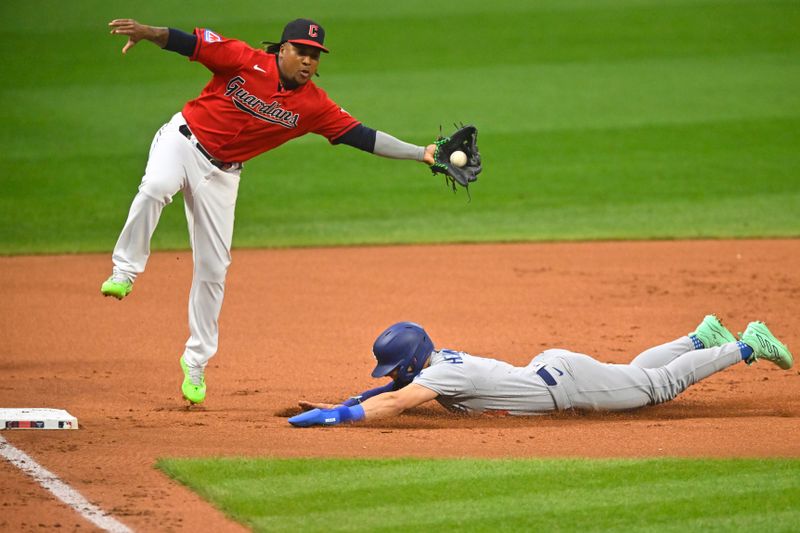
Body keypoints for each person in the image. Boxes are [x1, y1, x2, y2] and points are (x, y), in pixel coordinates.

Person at [102, 18, 438, 405]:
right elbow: (189, 44)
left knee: (214, 267)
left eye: (315, 55)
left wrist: (420, 153)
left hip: (223, 175)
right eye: (301, 51)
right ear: (282, 50)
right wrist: (148, 33)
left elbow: (363, 136)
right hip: (182, 142)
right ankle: (124, 271)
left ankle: (195, 363)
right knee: (156, 187)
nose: (308, 61)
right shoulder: (244, 60)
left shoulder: (314, 105)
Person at [288, 316, 794, 426]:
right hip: (556, 370)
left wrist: (337, 417)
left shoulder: (441, 377)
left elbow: (397, 400)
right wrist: (347, 401)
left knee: (658, 387)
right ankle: (698, 338)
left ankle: (746, 346)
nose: (394, 375)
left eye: (398, 367)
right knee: (633, 375)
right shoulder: (435, 365)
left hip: (566, 381)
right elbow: (394, 388)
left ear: (415, 361)